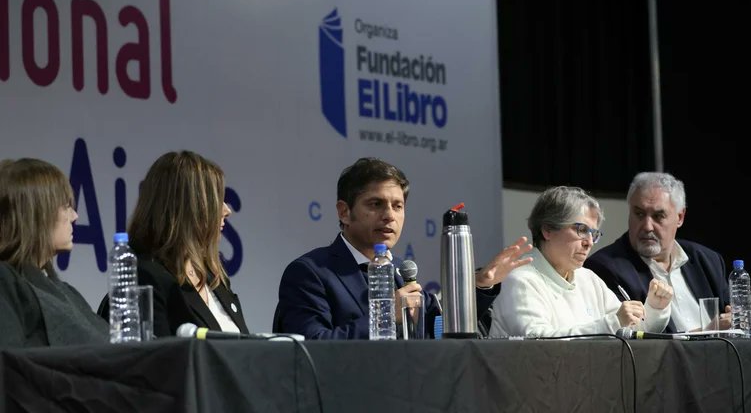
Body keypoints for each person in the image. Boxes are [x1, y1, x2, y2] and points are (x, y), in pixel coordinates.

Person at [275, 157, 534, 340]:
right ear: (344, 212)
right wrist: (387, 316)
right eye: (376, 204)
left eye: (397, 206)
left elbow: (439, 328)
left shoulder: (400, 270)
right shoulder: (310, 273)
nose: (389, 216)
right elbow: (311, 347)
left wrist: (479, 285)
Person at [584, 172, 751, 333]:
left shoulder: (706, 260)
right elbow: (634, 339)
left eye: (658, 216)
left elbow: (741, 315)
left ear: (680, 217)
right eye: (639, 214)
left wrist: (749, 325)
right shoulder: (605, 268)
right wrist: (707, 333)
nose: (647, 226)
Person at [489, 186, 673, 338]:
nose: (589, 242)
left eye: (593, 234)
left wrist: (655, 308)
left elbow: (631, 331)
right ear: (548, 230)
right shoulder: (520, 279)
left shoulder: (588, 278)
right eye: (581, 230)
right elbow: (537, 341)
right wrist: (612, 323)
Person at [121, 151, 248, 337]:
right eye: (215, 200)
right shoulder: (147, 277)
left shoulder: (214, 277)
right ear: (189, 209)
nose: (226, 210)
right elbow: (156, 359)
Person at [0, 158, 108, 348]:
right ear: (36, 215)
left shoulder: (65, 291)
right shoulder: (6, 284)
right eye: (66, 206)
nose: (75, 216)